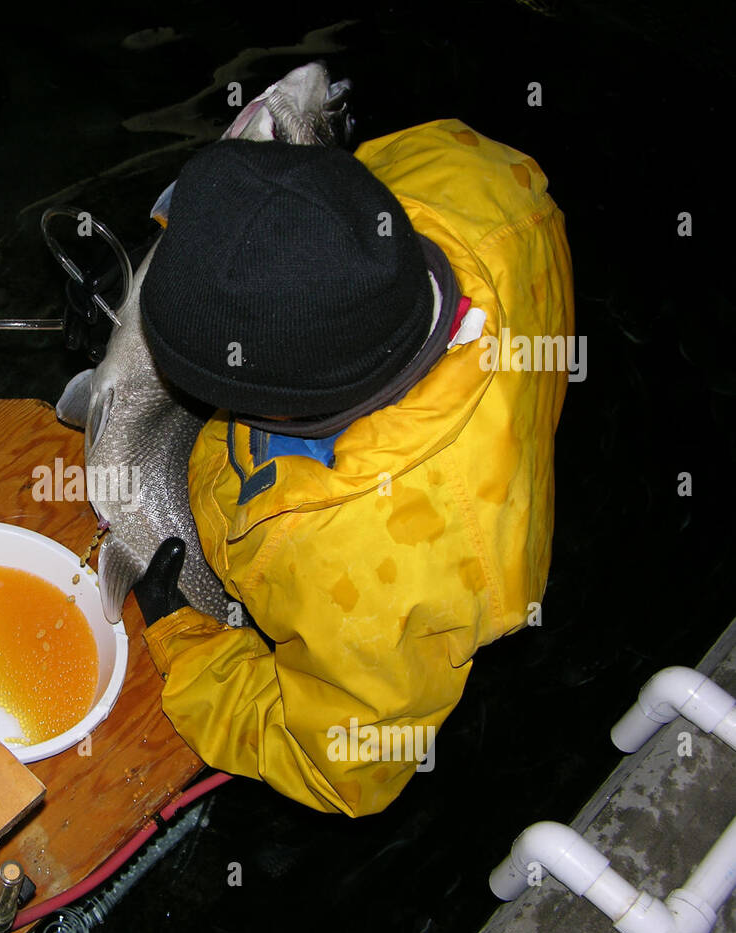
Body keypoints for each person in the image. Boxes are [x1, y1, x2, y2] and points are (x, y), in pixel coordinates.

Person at [135, 119, 574, 816]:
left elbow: (345, 767)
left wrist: (192, 651)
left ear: (274, 408)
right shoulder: (466, 170)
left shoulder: (365, 570)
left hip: (416, 559)